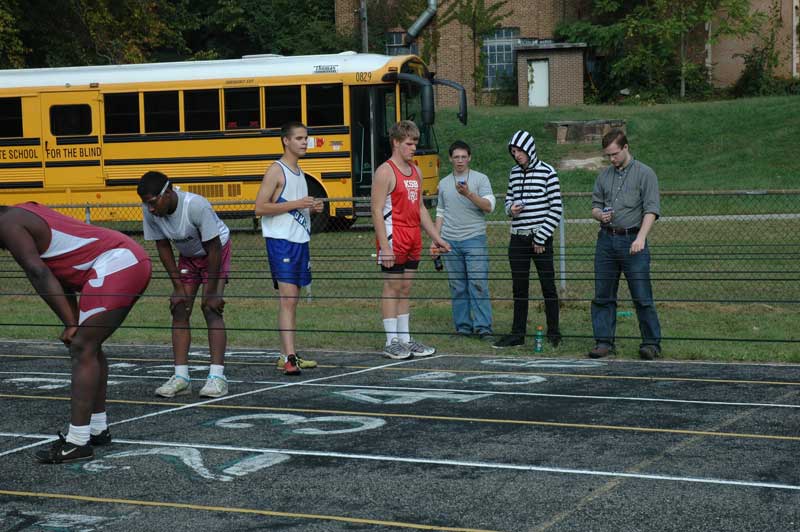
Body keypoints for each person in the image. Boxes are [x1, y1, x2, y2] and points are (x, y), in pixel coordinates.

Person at [0, 203, 151, 463]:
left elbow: (38, 273)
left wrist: (72, 325)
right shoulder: (17, 214)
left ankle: (78, 442)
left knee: (83, 346)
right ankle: (97, 429)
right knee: (88, 344)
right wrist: (71, 322)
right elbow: (58, 278)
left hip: (117, 261)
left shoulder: (7, 224)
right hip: (123, 258)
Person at [138, 171, 231, 398]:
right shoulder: (150, 210)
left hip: (215, 251)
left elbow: (214, 248)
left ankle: (217, 378)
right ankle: (181, 377)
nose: (150, 208)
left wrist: (211, 292)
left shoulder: (196, 206)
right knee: (180, 307)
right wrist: (178, 288)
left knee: (210, 308)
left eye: (152, 202)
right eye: (146, 204)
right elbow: (162, 246)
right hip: (188, 254)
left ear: (168, 192)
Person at [372, 120, 451, 360]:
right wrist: (384, 247)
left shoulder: (416, 170)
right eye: (409, 143)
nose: (413, 147)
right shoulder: (385, 171)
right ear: (396, 143)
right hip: (393, 234)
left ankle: (405, 339)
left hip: (413, 235)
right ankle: (391, 340)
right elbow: (376, 210)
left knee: (405, 288)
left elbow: (421, 209)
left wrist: (437, 238)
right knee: (392, 287)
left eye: (415, 142)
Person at [255, 121, 323, 375]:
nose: (304, 142)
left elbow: (294, 207)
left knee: (293, 301)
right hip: (280, 241)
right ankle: (289, 358)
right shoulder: (276, 170)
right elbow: (260, 207)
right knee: (288, 299)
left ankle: (288, 352)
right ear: (286, 140)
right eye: (299, 138)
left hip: (299, 241)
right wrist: (296, 203)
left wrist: (311, 207)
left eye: (306, 138)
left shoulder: (299, 171)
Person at [589, 129, 662, 360]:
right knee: (603, 294)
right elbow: (595, 206)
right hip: (606, 241)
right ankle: (603, 342)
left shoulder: (646, 174)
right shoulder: (603, 176)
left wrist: (641, 238)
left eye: (615, 154)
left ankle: (651, 343)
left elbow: (651, 209)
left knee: (642, 295)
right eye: (608, 155)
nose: (612, 159)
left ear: (626, 148)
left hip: (633, 241)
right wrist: (600, 215)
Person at [493, 130, 562, 349]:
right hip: (518, 238)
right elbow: (507, 202)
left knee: (547, 286)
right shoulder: (513, 173)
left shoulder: (548, 172)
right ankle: (517, 333)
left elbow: (556, 208)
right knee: (519, 287)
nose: (517, 155)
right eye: (513, 152)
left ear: (529, 148)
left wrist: (541, 237)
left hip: (540, 239)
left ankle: (554, 332)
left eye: (520, 151)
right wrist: (510, 210)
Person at [433, 140, 495, 340]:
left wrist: (468, 193)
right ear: (450, 159)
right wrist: (436, 239)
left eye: (463, 157)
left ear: (469, 158)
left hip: (474, 239)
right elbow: (441, 212)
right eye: (456, 157)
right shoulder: (443, 183)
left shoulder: (480, 179)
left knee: (478, 284)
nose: (460, 160)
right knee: (458, 287)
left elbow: (489, 207)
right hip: (450, 241)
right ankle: (463, 328)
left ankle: (483, 328)